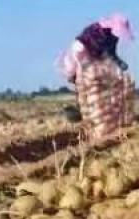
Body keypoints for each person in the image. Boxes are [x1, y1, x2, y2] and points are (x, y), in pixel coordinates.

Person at [58, 13, 135, 141]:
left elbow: (111, 54)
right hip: (81, 51)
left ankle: (90, 115)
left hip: (87, 55)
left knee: (92, 84)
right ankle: (85, 115)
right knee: (88, 82)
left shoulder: (112, 36)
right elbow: (103, 54)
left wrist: (120, 63)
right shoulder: (100, 31)